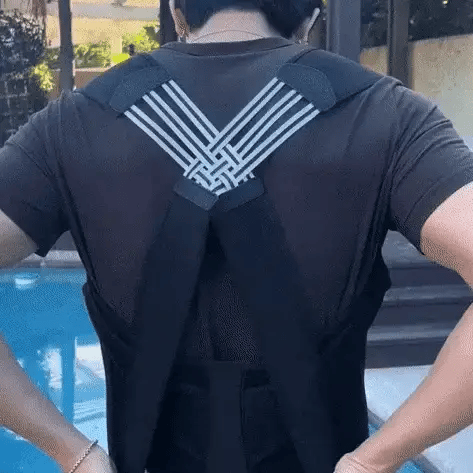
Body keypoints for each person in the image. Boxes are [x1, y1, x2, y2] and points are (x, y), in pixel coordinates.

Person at [1, 1, 473, 473]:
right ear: (310, 18)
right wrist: (374, 461)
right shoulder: (389, 115)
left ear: (177, 13)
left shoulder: (70, 125)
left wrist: (72, 453)